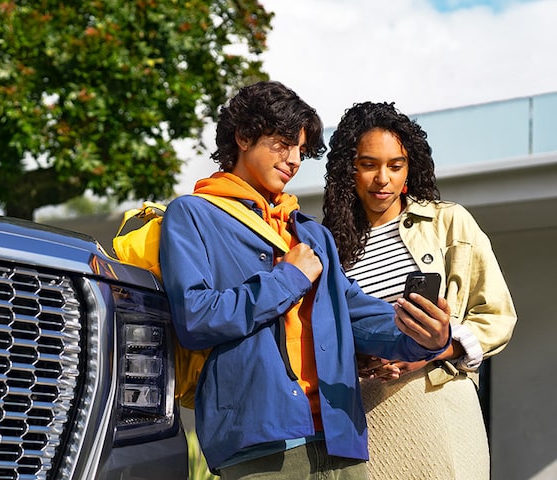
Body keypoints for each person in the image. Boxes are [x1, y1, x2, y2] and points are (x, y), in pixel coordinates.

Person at [158, 81, 451, 479]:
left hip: (340, 437)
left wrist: (422, 335)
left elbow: (357, 316)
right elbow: (195, 319)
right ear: (243, 137)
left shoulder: (312, 235)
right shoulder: (192, 215)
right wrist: (289, 277)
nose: (294, 160)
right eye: (282, 144)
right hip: (258, 445)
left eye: (300, 150)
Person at [321, 101, 518, 479]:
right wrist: (356, 357)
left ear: (410, 168)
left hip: (438, 403)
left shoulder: (449, 222)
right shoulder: (328, 246)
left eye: (396, 166)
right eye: (368, 165)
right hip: (366, 419)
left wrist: (431, 350)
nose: (383, 179)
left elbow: (497, 316)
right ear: (349, 170)